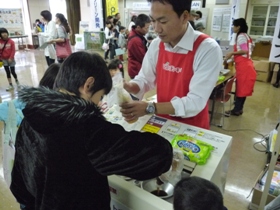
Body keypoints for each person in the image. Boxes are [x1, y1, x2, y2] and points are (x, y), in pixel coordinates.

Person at [10, 51, 173, 210]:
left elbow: (19, 183)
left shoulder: (31, 114)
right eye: (100, 96)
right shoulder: (86, 128)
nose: (98, 103)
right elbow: (156, 155)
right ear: (88, 85)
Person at [120, 0, 222, 129]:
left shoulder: (207, 48)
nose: (157, 29)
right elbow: (145, 79)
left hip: (192, 127)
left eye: (163, 21)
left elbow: (195, 101)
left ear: (184, 17)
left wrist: (150, 108)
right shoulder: (157, 45)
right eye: (153, 21)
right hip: (162, 121)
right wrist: (129, 86)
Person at [224, 18, 256, 116]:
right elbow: (248, 51)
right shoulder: (247, 36)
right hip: (247, 65)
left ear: (238, 27)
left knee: (241, 89)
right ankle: (239, 109)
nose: (233, 28)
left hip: (244, 67)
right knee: (243, 89)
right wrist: (231, 59)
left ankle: (236, 110)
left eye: (234, 26)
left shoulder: (241, 36)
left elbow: (245, 50)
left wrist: (231, 53)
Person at [127, 14, 151, 79]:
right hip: (136, 71)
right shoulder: (135, 40)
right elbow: (143, 58)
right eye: (146, 28)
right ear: (138, 27)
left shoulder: (136, 34)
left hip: (136, 69)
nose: (147, 30)